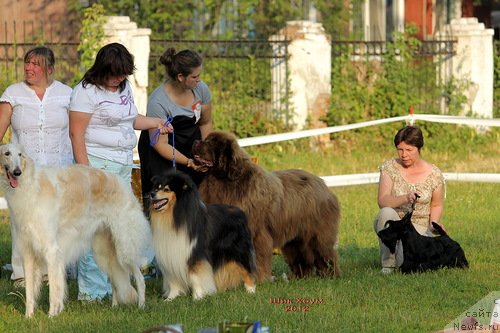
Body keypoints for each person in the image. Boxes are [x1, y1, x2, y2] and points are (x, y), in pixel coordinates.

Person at [69, 42, 172, 301]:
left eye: (123, 74)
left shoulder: (124, 87)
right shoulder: (85, 91)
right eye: (115, 74)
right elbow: (76, 133)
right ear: (102, 69)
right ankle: (91, 292)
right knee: (95, 231)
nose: (119, 79)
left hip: (122, 165)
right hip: (96, 166)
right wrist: (87, 174)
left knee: (119, 231)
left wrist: (157, 122)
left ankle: (117, 286)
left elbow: (131, 119)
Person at [0, 46, 74, 287]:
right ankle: (22, 274)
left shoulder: (67, 94)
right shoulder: (13, 93)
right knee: (23, 222)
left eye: (35, 64)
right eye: (27, 63)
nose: (28, 68)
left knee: (58, 220)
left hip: (58, 170)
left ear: (49, 69)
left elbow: (76, 131)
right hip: (23, 172)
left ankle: (55, 272)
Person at [138, 47, 213, 214]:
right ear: (180, 77)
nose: (199, 80)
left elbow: (205, 122)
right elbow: (160, 144)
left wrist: (205, 153)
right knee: (165, 201)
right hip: (162, 150)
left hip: (190, 142)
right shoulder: (158, 102)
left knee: (194, 197)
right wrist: (188, 162)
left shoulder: (201, 89)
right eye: (195, 77)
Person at [373, 125, 446, 274]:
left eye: (409, 150)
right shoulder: (389, 168)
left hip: (419, 227)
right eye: (400, 149)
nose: (403, 155)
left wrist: (434, 224)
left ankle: (397, 259)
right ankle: (388, 264)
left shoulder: (435, 174)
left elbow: (437, 204)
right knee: (385, 212)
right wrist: (405, 198)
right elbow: (383, 200)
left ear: (419, 148)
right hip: (395, 223)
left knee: (408, 263)